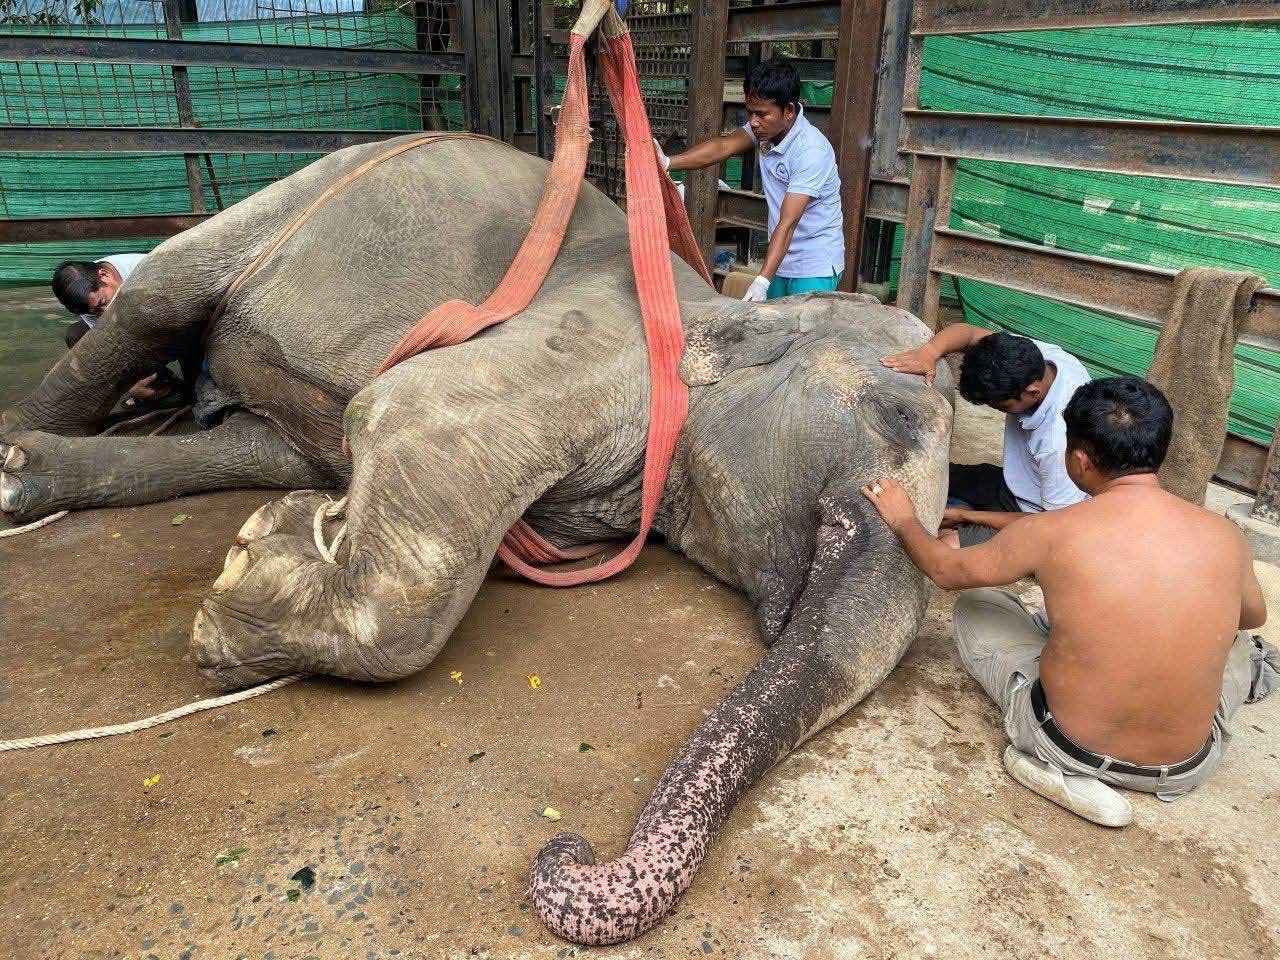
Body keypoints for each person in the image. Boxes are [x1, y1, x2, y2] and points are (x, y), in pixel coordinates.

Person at [860, 377, 1277, 826]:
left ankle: (1049, 769)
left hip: (1067, 746)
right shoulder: (1225, 535)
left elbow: (945, 571)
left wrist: (904, 519)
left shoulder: (1053, 533)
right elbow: (1253, 615)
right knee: (1238, 643)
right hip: (1186, 768)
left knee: (978, 604)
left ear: (1079, 460)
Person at [654, 58, 843, 303]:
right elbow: (723, 146)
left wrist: (762, 280)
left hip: (813, 263)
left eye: (761, 114)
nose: (753, 121)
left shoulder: (811, 151)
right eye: (750, 112)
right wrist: (668, 162)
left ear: (788, 111)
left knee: (801, 335)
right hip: (780, 259)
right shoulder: (766, 129)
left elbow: (788, 222)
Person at [882, 324, 1090, 546]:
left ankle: (965, 515)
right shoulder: (1037, 358)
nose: (997, 411)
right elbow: (968, 333)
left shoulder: (1058, 442)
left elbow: (1055, 524)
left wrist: (966, 517)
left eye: (1002, 407)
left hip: (1038, 516)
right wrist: (929, 352)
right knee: (918, 473)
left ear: (1032, 392)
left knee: (945, 547)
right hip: (1017, 485)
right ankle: (967, 510)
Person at [51, 254, 180, 410]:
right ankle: (162, 384)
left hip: (173, 317)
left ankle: (194, 384)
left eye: (103, 303)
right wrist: (128, 385)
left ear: (104, 275)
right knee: (77, 335)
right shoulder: (86, 301)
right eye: (95, 311)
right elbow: (107, 345)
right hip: (135, 328)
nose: (104, 313)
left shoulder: (145, 269)